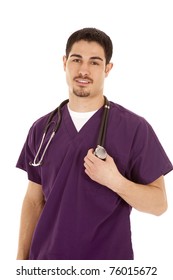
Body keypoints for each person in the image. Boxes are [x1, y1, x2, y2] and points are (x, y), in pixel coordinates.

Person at [16, 27, 173, 260]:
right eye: (76, 59)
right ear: (64, 63)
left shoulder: (134, 128)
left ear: (108, 69)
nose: (83, 70)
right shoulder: (42, 128)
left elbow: (158, 204)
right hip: (46, 265)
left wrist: (115, 181)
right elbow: (33, 200)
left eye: (95, 62)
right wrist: (20, 263)